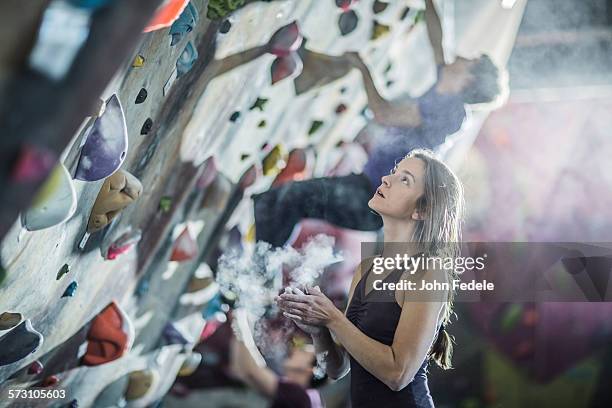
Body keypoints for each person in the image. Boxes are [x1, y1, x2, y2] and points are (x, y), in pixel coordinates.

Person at [253, 0, 506, 247]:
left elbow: (384, 113)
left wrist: (363, 68)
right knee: (276, 201)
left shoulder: (451, 113)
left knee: (288, 199)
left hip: (374, 201)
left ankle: (260, 272)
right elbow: (436, 36)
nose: (462, 55)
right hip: (367, 185)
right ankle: (259, 268)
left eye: (470, 61)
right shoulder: (446, 85)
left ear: (468, 80)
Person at [277, 149, 465, 407]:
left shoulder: (428, 272)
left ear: (422, 210)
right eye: (395, 172)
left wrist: (333, 317)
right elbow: (338, 369)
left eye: (405, 180)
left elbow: (398, 374)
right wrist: (319, 329)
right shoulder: (366, 269)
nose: (387, 179)